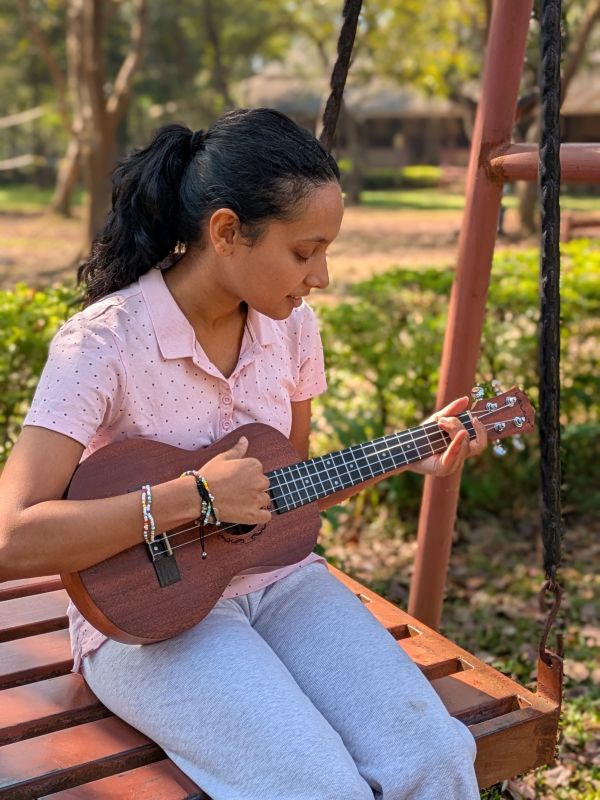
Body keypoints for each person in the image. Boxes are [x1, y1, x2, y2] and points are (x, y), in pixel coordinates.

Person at [0, 108, 486, 800]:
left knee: (436, 755)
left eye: (327, 251)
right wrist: (190, 498)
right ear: (227, 232)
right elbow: (12, 537)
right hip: (144, 619)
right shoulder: (101, 345)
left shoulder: (291, 330)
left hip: (280, 582)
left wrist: (413, 452)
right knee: (318, 788)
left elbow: (281, 497)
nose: (320, 276)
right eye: (304, 251)